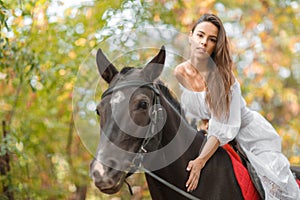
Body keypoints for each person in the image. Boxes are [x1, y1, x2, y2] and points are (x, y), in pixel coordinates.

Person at [174, 13, 300, 199]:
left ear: (216, 45)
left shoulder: (223, 78)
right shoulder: (180, 72)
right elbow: (196, 109)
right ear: (190, 35)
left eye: (211, 39)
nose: (203, 43)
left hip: (246, 134)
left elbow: (223, 125)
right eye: (200, 35)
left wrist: (200, 161)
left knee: (277, 183)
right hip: (212, 133)